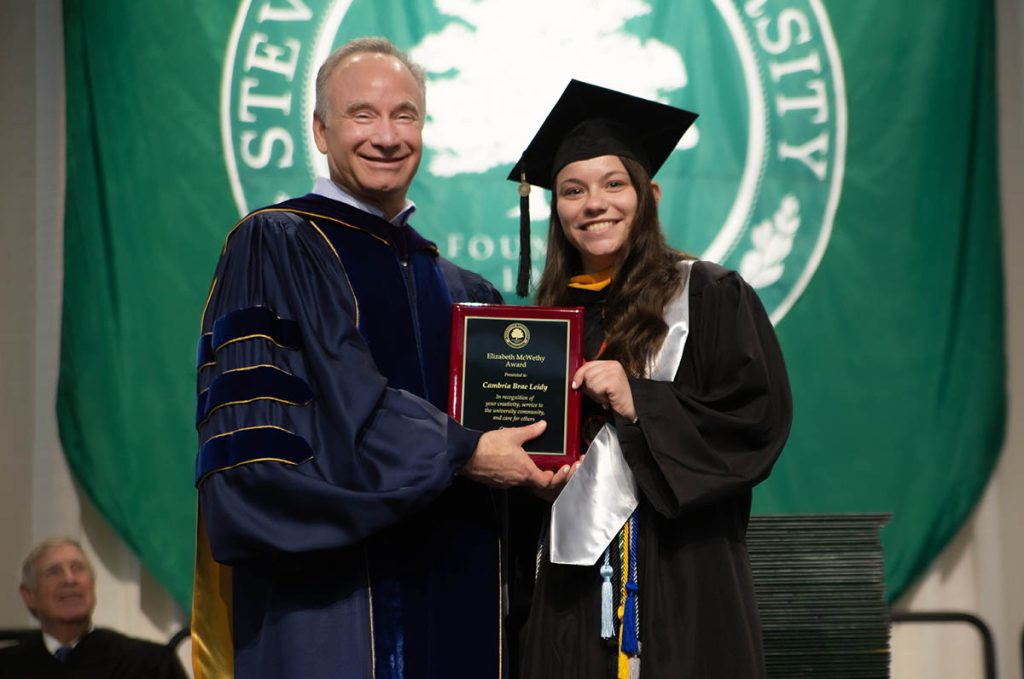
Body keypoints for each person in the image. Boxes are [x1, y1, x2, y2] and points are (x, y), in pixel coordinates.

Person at [191, 37, 553, 679]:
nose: (387, 136)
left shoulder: (462, 288)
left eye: (404, 115)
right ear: (320, 130)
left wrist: (549, 458)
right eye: (363, 115)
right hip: (331, 600)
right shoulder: (276, 243)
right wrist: (465, 451)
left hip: (459, 593)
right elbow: (332, 401)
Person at [507, 81, 793, 678]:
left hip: (683, 573)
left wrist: (641, 401)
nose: (594, 204)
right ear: (556, 208)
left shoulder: (708, 296)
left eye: (614, 184)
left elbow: (756, 423)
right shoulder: (545, 326)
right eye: (573, 190)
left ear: (649, 195)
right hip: (568, 583)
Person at [0, 538, 187, 678]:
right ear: (29, 595)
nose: (69, 579)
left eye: (78, 568)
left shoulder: (148, 663)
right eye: (53, 572)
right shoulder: (7, 666)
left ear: (92, 584)